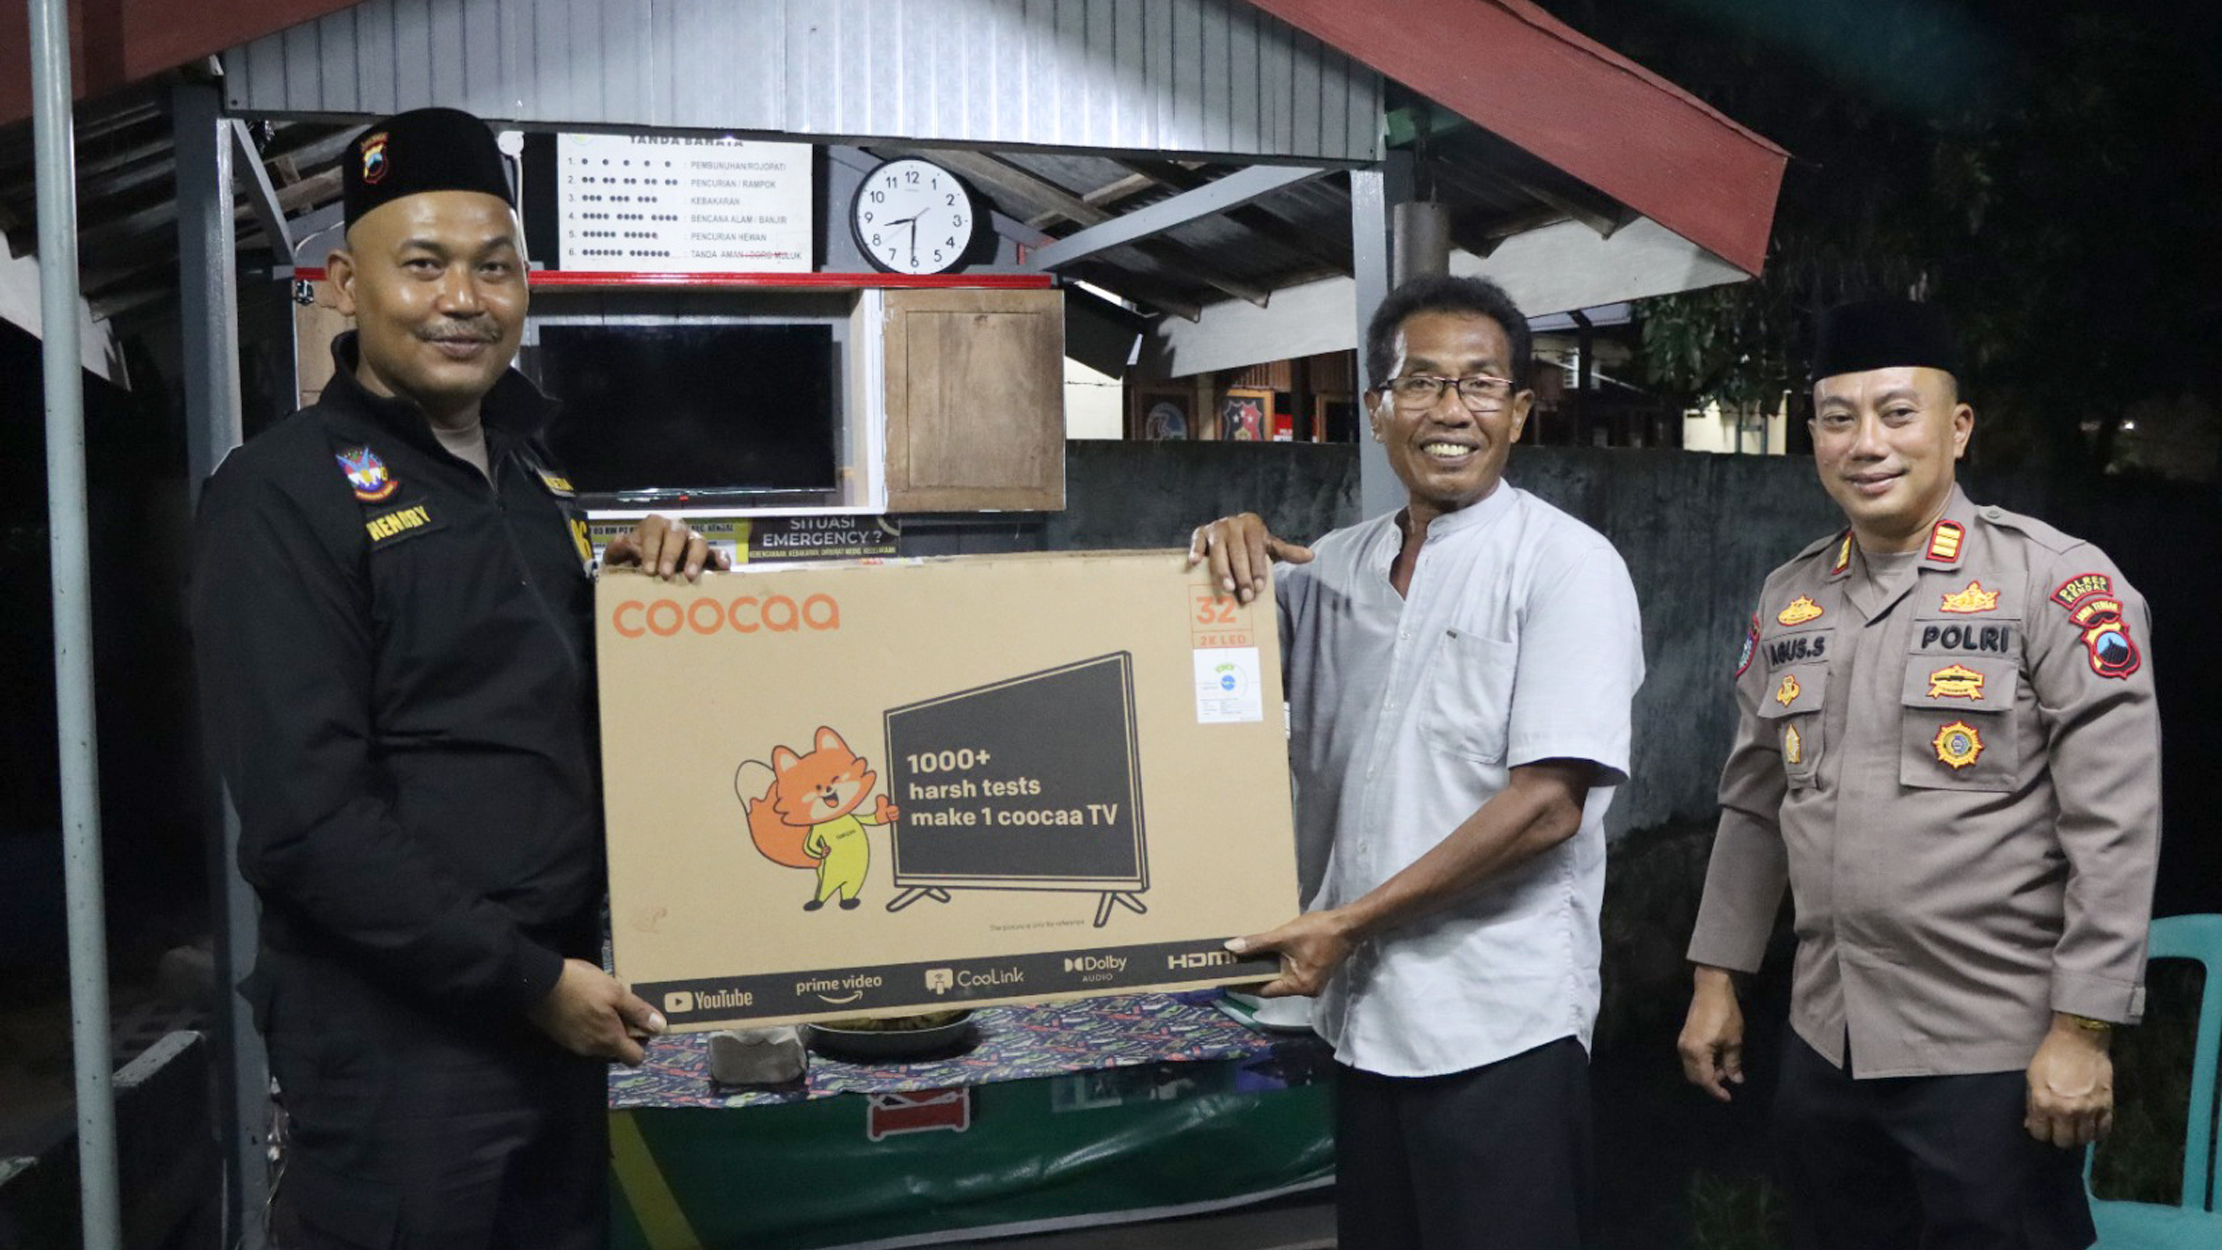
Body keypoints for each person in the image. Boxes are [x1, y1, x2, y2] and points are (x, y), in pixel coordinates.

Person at [191, 107, 723, 1248]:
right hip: (400, 1041)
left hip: (557, 996)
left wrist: (646, 593)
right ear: (346, 285)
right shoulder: (281, 493)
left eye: (495, 267)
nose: (464, 299)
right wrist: (526, 979)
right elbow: (306, 821)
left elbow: (542, 697)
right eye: (424, 264)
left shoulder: (538, 481)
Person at [1677, 299, 2161, 1250]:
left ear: (1958, 427)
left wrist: (2084, 1029)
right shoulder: (1792, 595)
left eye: (1898, 413)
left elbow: (2115, 824)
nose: (1868, 443)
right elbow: (1755, 805)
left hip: (1991, 1051)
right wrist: (1716, 977)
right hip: (1827, 1041)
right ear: (1814, 435)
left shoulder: (2056, 583)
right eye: (1839, 417)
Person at [1189, 274, 1644, 1249]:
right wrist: (1220, 556)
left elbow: (1547, 805)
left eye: (1479, 384)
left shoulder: (1564, 566)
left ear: (1517, 411)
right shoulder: (1329, 571)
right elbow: (1196, 681)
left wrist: (1344, 923)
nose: (1450, 410)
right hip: (1361, 1020)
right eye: (1421, 382)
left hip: (1498, 1027)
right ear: (1377, 407)